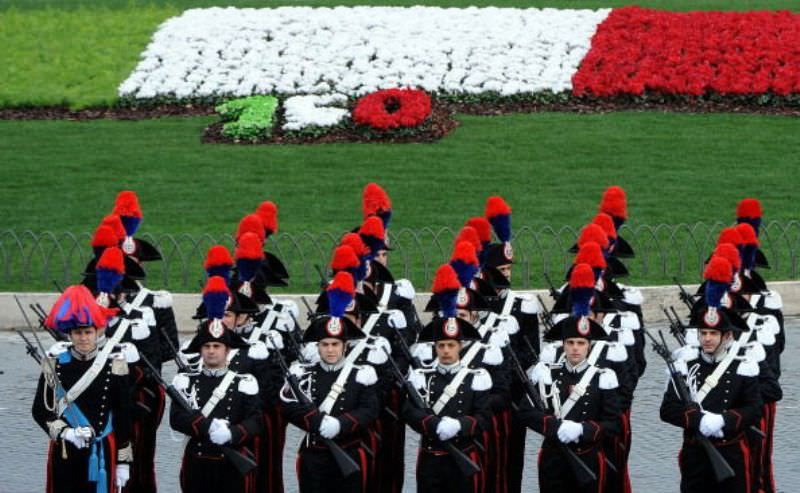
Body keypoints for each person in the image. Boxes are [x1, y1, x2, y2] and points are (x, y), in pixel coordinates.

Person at [660, 256, 763, 493]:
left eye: (713, 334)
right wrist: (697, 420)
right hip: (695, 453)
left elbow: (754, 408)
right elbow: (667, 410)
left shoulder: (741, 365)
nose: (706, 338)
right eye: (703, 332)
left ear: (726, 336)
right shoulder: (686, 364)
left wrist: (723, 421)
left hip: (731, 451)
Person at [519, 263, 622, 493]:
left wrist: (581, 431)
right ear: (563, 344)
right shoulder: (547, 372)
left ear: (589, 345)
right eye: (570, 343)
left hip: (588, 457)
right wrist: (554, 426)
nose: (575, 348)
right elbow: (526, 412)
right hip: (553, 458)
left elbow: (613, 423)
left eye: (581, 343)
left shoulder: (602, 377)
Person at [280, 272, 380, 493]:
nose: (330, 350)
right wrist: (315, 422)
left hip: (350, 451)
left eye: (335, 344)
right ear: (318, 347)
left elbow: (369, 409)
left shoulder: (361, 374)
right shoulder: (305, 373)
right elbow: (288, 406)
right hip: (314, 453)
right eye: (325, 344)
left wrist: (341, 424)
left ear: (345, 345)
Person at [32, 284, 135, 493]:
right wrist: (66, 433)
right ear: (70, 334)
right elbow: (40, 411)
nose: (84, 338)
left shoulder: (114, 365)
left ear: (97, 331)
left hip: (102, 450)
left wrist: (124, 461)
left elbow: (123, 415)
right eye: (78, 332)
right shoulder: (55, 364)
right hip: (65, 449)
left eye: (88, 332)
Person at [404, 264, 493, 493]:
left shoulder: (477, 377)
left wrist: (459, 425)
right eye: (441, 345)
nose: (445, 350)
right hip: (431, 459)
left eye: (450, 345)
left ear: (460, 346)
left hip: (464, 456)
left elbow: (484, 417)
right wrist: (432, 424)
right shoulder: (422, 376)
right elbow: (409, 412)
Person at [169, 276, 263, 493]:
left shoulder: (244, 383)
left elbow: (256, 421)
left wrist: (233, 433)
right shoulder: (187, 379)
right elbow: (177, 419)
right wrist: (207, 426)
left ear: (227, 350)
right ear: (201, 350)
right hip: (198, 460)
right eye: (207, 346)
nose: (211, 351)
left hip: (232, 461)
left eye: (217, 346)